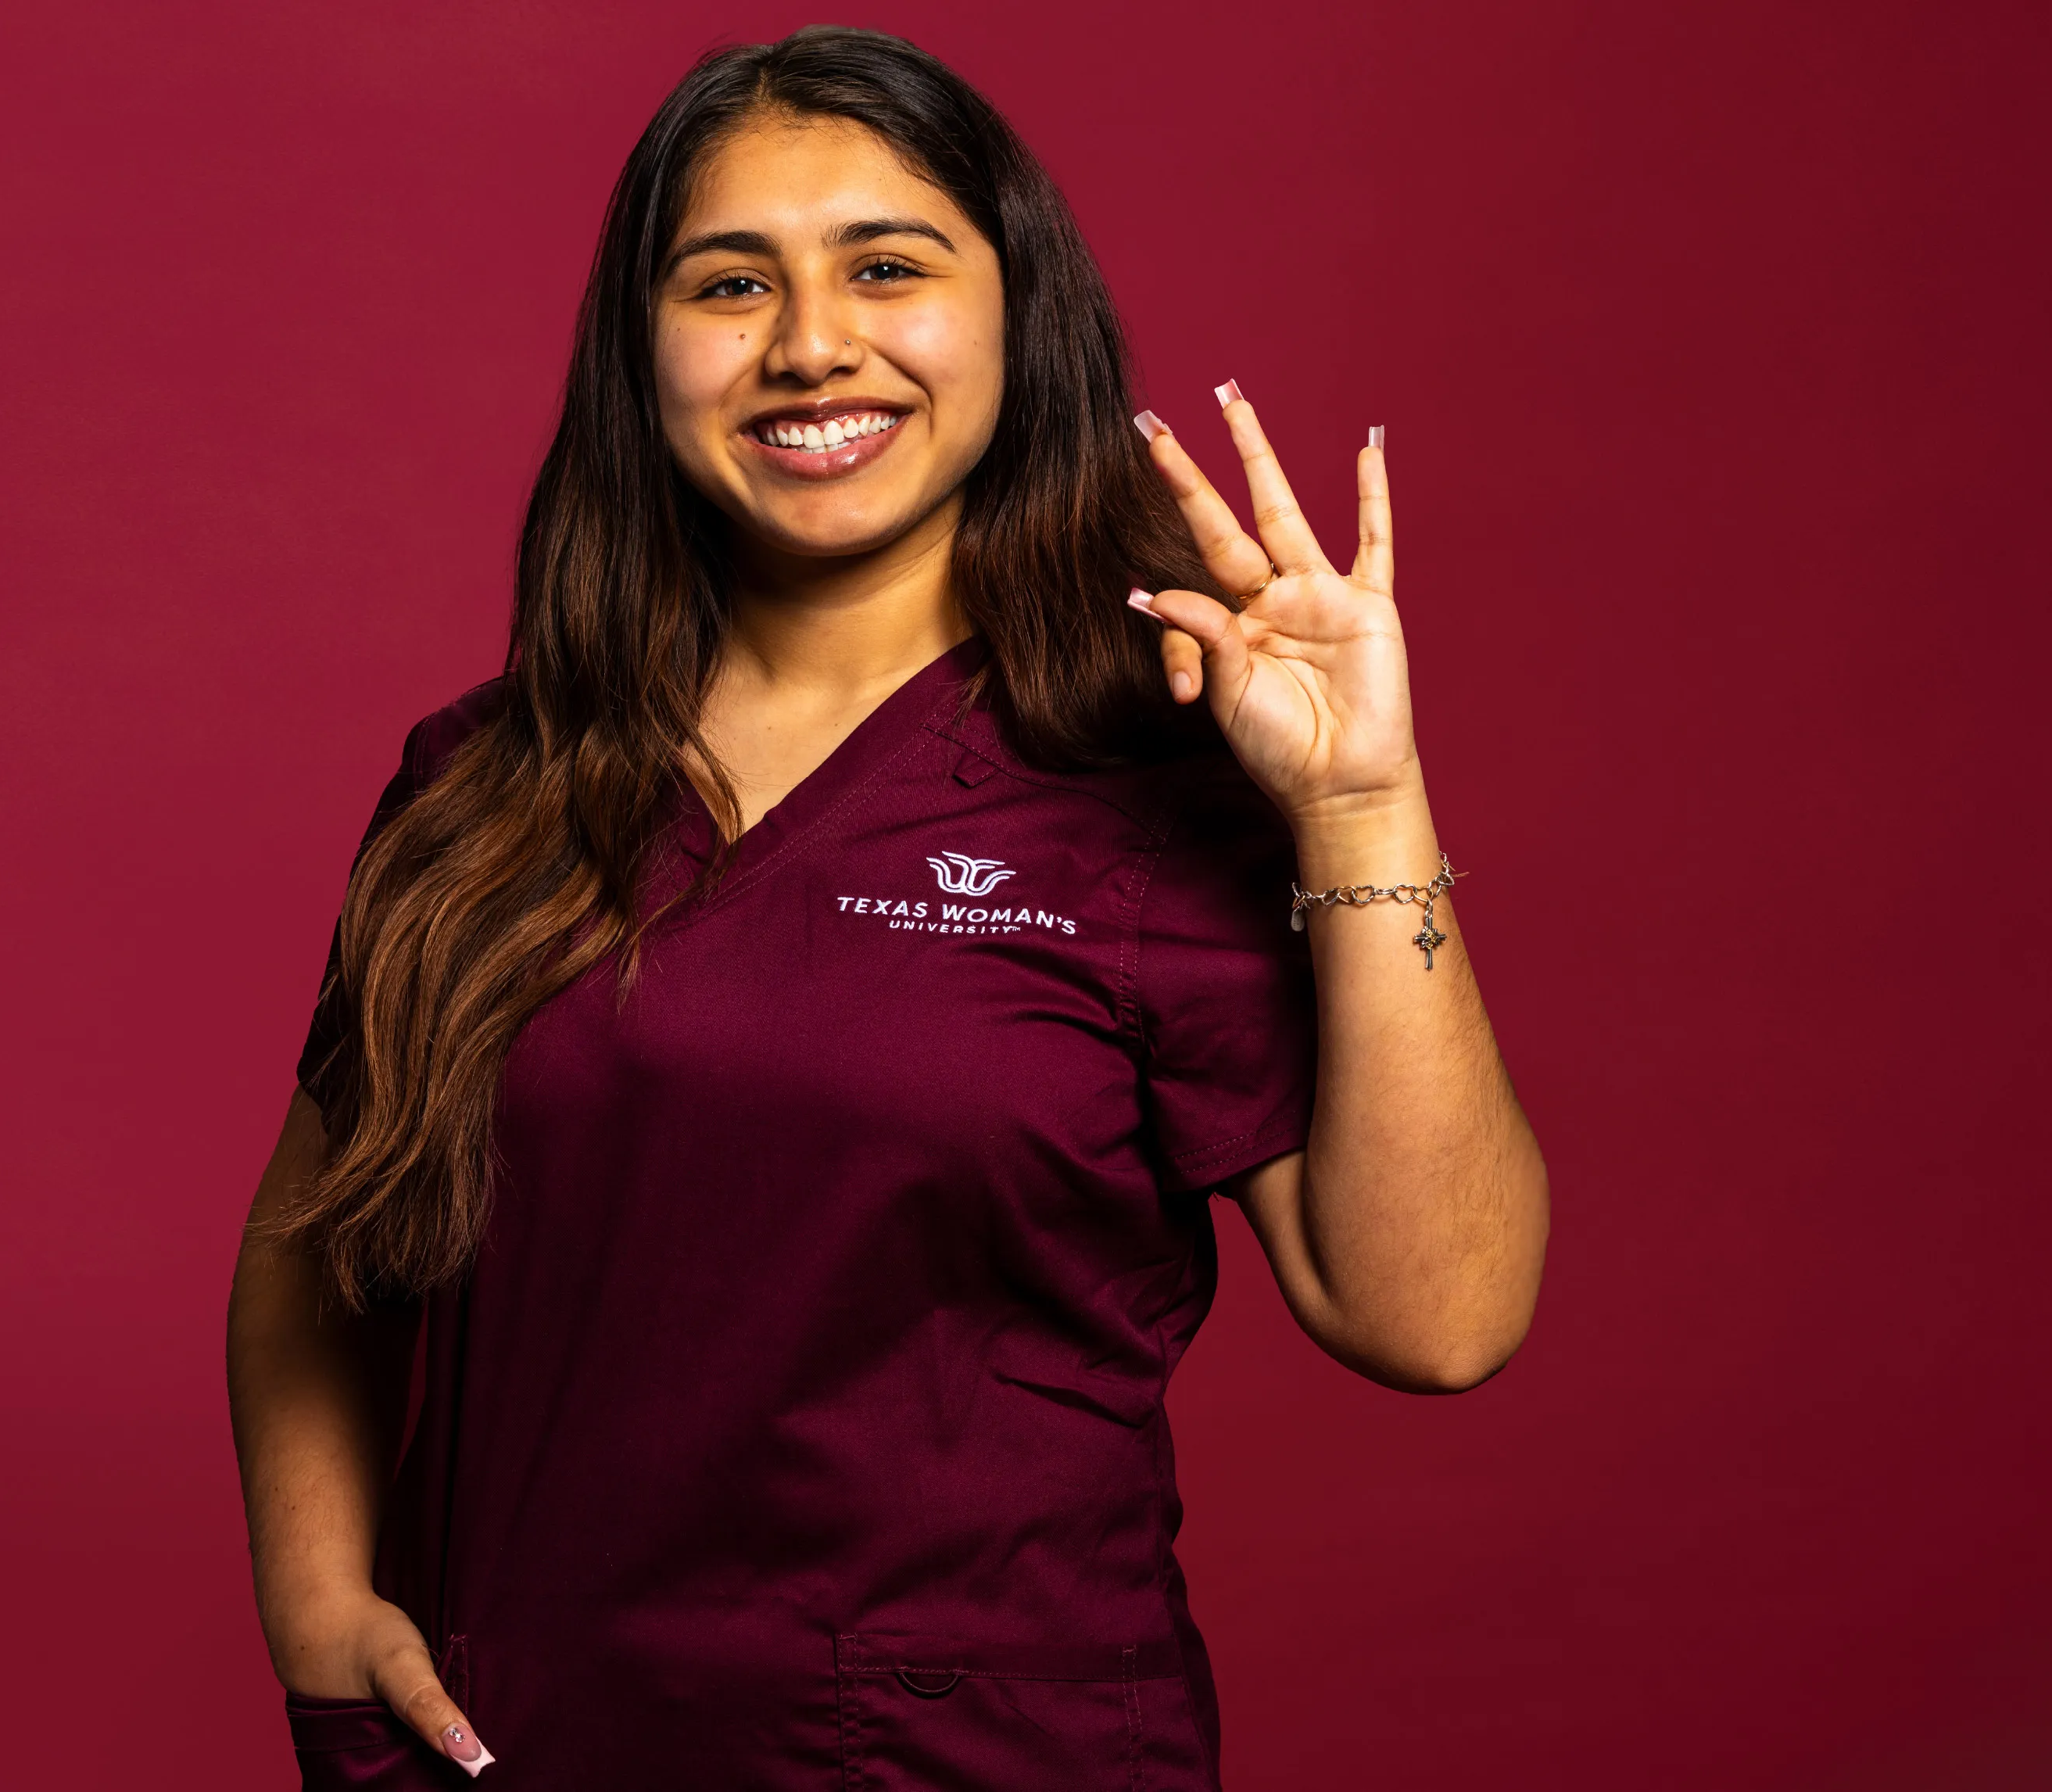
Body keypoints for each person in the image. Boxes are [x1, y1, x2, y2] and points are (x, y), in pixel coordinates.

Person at [220, 27, 1548, 1790]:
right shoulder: (487, 783)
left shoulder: (1152, 782)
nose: (810, 344)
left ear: (1017, 316)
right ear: (640, 348)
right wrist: (319, 1607)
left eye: (889, 267)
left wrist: (1361, 803)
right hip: (522, 1749)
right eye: (730, 283)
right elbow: (314, 1238)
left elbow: (1437, 1317)